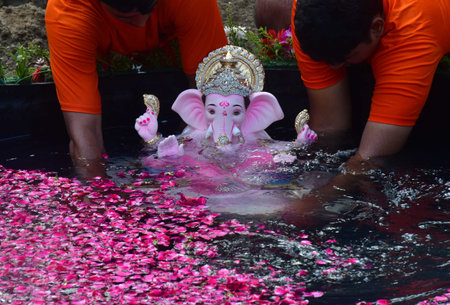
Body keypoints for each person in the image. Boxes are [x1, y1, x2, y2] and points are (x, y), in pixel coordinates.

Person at [283, 0, 450, 226]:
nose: (333, 67)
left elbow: (372, 157)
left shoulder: (413, 27)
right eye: (323, 60)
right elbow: (330, 125)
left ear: (377, 27)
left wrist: (315, 202)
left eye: (346, 57)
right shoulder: (310, 11)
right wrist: (299, 180)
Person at [45, 0, 227, 177]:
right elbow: (85, 130)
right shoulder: (68, 11)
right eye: (126, 18)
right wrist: (97, 191)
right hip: (103, 62)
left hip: (173, 54)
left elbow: (212, 95)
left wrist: (198, 168)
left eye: (149, 10)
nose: (141, 24)